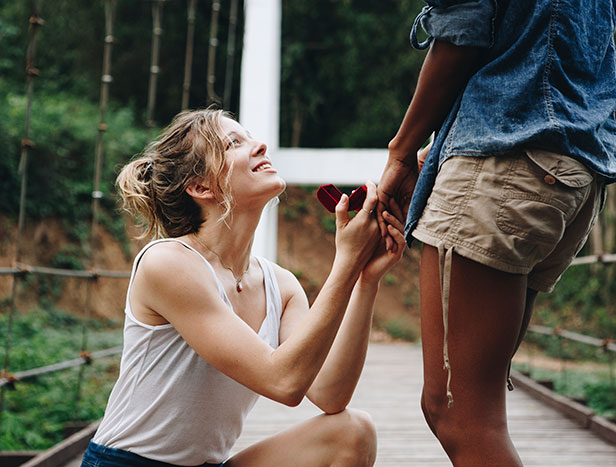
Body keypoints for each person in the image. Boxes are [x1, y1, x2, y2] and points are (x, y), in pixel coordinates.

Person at [82, 108, 406, 467]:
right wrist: (345, 263)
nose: (261, 145)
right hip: (127, 463)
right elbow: (284, 382)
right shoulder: (169, 263)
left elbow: (330, 393)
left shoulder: (279, 285)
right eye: (234, 143)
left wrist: (365, 278)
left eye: (250, 137)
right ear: (200, 187)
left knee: (353, 432)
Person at [377, 1, 616, 465]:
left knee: (458, 415)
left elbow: (463, 31)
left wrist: (401, 149)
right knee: (477, 410)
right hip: (574, 169)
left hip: (506, 160)